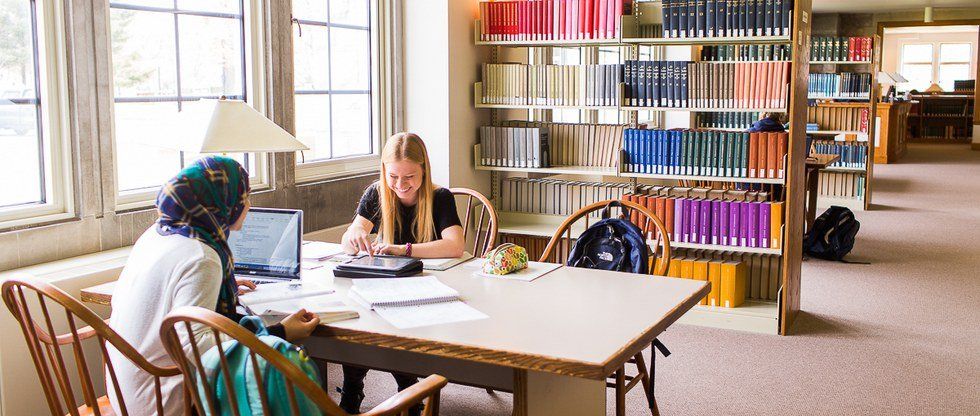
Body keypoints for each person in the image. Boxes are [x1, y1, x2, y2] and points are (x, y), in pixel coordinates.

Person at [106, 156, 320, 416]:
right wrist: (279, 332)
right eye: (244, 197)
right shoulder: (201, 256)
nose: (248, 205)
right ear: (220, 203)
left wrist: (217, 285)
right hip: (167, 400)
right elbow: (197, 346)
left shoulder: (157, 234)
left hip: (127, 393)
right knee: (283, 386)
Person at [338, 132, 464, 414]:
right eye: (393, 176)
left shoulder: (439, 197)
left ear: (424, 170)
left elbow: (455, 245)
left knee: (394, 328)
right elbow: (347, 242)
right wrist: (355, 233)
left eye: (409, 177)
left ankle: (407, 391)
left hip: (428, 289)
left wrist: (403, 249)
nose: (400, 184)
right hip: (389, 286)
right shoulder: (377, 193)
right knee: (358, 323)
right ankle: (354, 389)